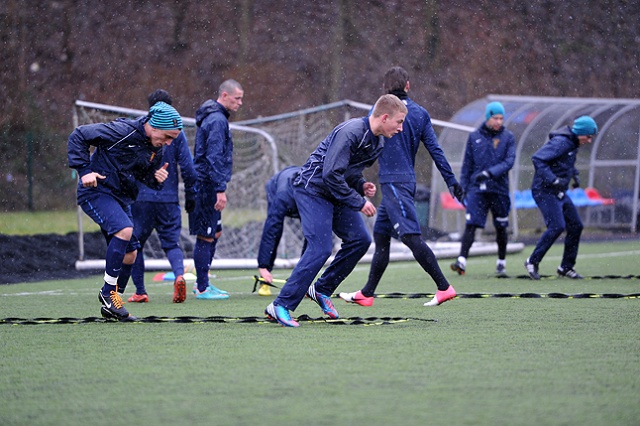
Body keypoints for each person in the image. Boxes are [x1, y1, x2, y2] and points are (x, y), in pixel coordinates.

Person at [264, 94, 408, 327]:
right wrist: (358, 201)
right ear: (384, 117)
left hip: (335, 191)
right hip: (312, 189)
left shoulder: (378, 142)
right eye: (399, 121)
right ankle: (280, 305)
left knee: (360, 240)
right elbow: (330, 173)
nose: (401, 128)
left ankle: (321, 289)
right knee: (320, 248)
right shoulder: (351, 132)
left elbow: (347, 172)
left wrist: (361, 185)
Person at [338, 66, 463, 309]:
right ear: (408, 86)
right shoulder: (422, 113)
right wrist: (451, 181)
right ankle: (367, 293)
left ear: (385, 90)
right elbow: (436, 151)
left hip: (395, 183)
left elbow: (367, 149)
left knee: (409, 236)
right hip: (401, 182)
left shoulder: (382, 113)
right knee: (382, 236)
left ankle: (444, 287)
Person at [68, 101, 183, 321]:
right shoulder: (122, 131)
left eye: (172, 139)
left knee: (131, 253)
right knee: (125, 229)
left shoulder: (155, 149)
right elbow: (79, 135)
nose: (168, 143)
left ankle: (114, 303)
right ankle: (107, 293)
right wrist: (85, 171)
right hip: (96, 191)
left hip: (120, 198)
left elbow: (143, 175)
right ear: (155, 126)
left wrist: (155, 179)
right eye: (167, 137)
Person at [127, 89, 197, 304]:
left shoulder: (141, 129)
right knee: (171, 243)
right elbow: (187, 166)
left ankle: (140, 291)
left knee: (135, 244)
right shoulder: (177, 133)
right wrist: (190, 195)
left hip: (142, 198)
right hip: (168, 199)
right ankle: (179, 276)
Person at [524, 116, 598, 280]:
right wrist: (553, 179)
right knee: (557, 226)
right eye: (588, 136)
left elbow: (567, 162)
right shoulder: (561, 142)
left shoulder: (573, 143)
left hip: (559, 191)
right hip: (545, 191)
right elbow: (538, 158)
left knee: (576, 225)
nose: (590, 140)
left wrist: (575, 176)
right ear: (580, 132)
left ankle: (566, 267)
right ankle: (532, 261)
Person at [189, 79, 244, 299]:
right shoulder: (217, 120)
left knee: (215, 232)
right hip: (206, 186)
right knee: (206, 236)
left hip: (208, 183)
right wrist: (219, 189)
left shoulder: (216, 117)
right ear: (224, 95)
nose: (240, 102)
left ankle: (204, 282)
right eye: (237, 98)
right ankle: (202, 287)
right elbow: (213, 156)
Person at [450, 101, 516, 277]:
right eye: (495, 117)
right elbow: (467, 164)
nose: (499, 121)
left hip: (499, 189)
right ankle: (461, 261)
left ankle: (501, 262)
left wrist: (489, 173)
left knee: (501, 226)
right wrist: (462, 188)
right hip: (477, 189)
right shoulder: (474, 137)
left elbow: (509, 162)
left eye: (501, 118)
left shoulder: (508, 137)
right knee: (471, 224)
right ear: (488, 117)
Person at [256, 165, 302, 296]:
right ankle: (265, 277)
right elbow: (271, 231)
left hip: (295, 186)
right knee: (276, 229)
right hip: (276, 186)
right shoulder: (282, 198)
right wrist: (263, 265)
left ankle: (303, 278)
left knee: (312, 233)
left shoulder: (314, 197)